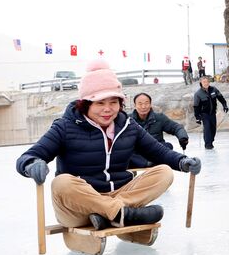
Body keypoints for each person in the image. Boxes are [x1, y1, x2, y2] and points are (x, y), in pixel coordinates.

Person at [14, 60, 202, 231]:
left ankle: (110, 214)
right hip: (78, 208)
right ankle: (119, 214)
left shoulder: (128, 126)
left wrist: (182, 161)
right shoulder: (65, 127)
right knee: (61, 183)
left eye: (113, 102)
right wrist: (32, 164)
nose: (107, 109)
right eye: (100, 103)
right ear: (85, 104)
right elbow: (28, 156)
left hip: (119, 194)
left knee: (164, 172)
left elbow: (157, 151)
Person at [128, 92, 190, 168]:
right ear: (135, 105)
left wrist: (183, 137)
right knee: (126, 152)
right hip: (137, 152)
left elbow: (176, 127)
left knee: (168, 146)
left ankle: (151, 161)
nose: (143, 106)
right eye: (140, 104)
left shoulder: (159, 118)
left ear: (150, 104)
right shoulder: (128, 120)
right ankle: (147, 163)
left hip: (155, 150)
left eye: (146, 103)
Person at [193, 76, 228, 150]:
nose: (206, 83)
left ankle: (210, 142)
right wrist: (197, 118)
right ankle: (208, 144)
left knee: (213, 129)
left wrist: (225, 106)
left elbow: (221, 98)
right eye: (204, 82)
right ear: (201, 83)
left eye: (207, 82)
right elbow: (196, 107)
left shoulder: (213, 90)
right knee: (207, 129)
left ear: (209, 82)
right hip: (204, 114)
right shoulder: (198, 94)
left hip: (212, 113)